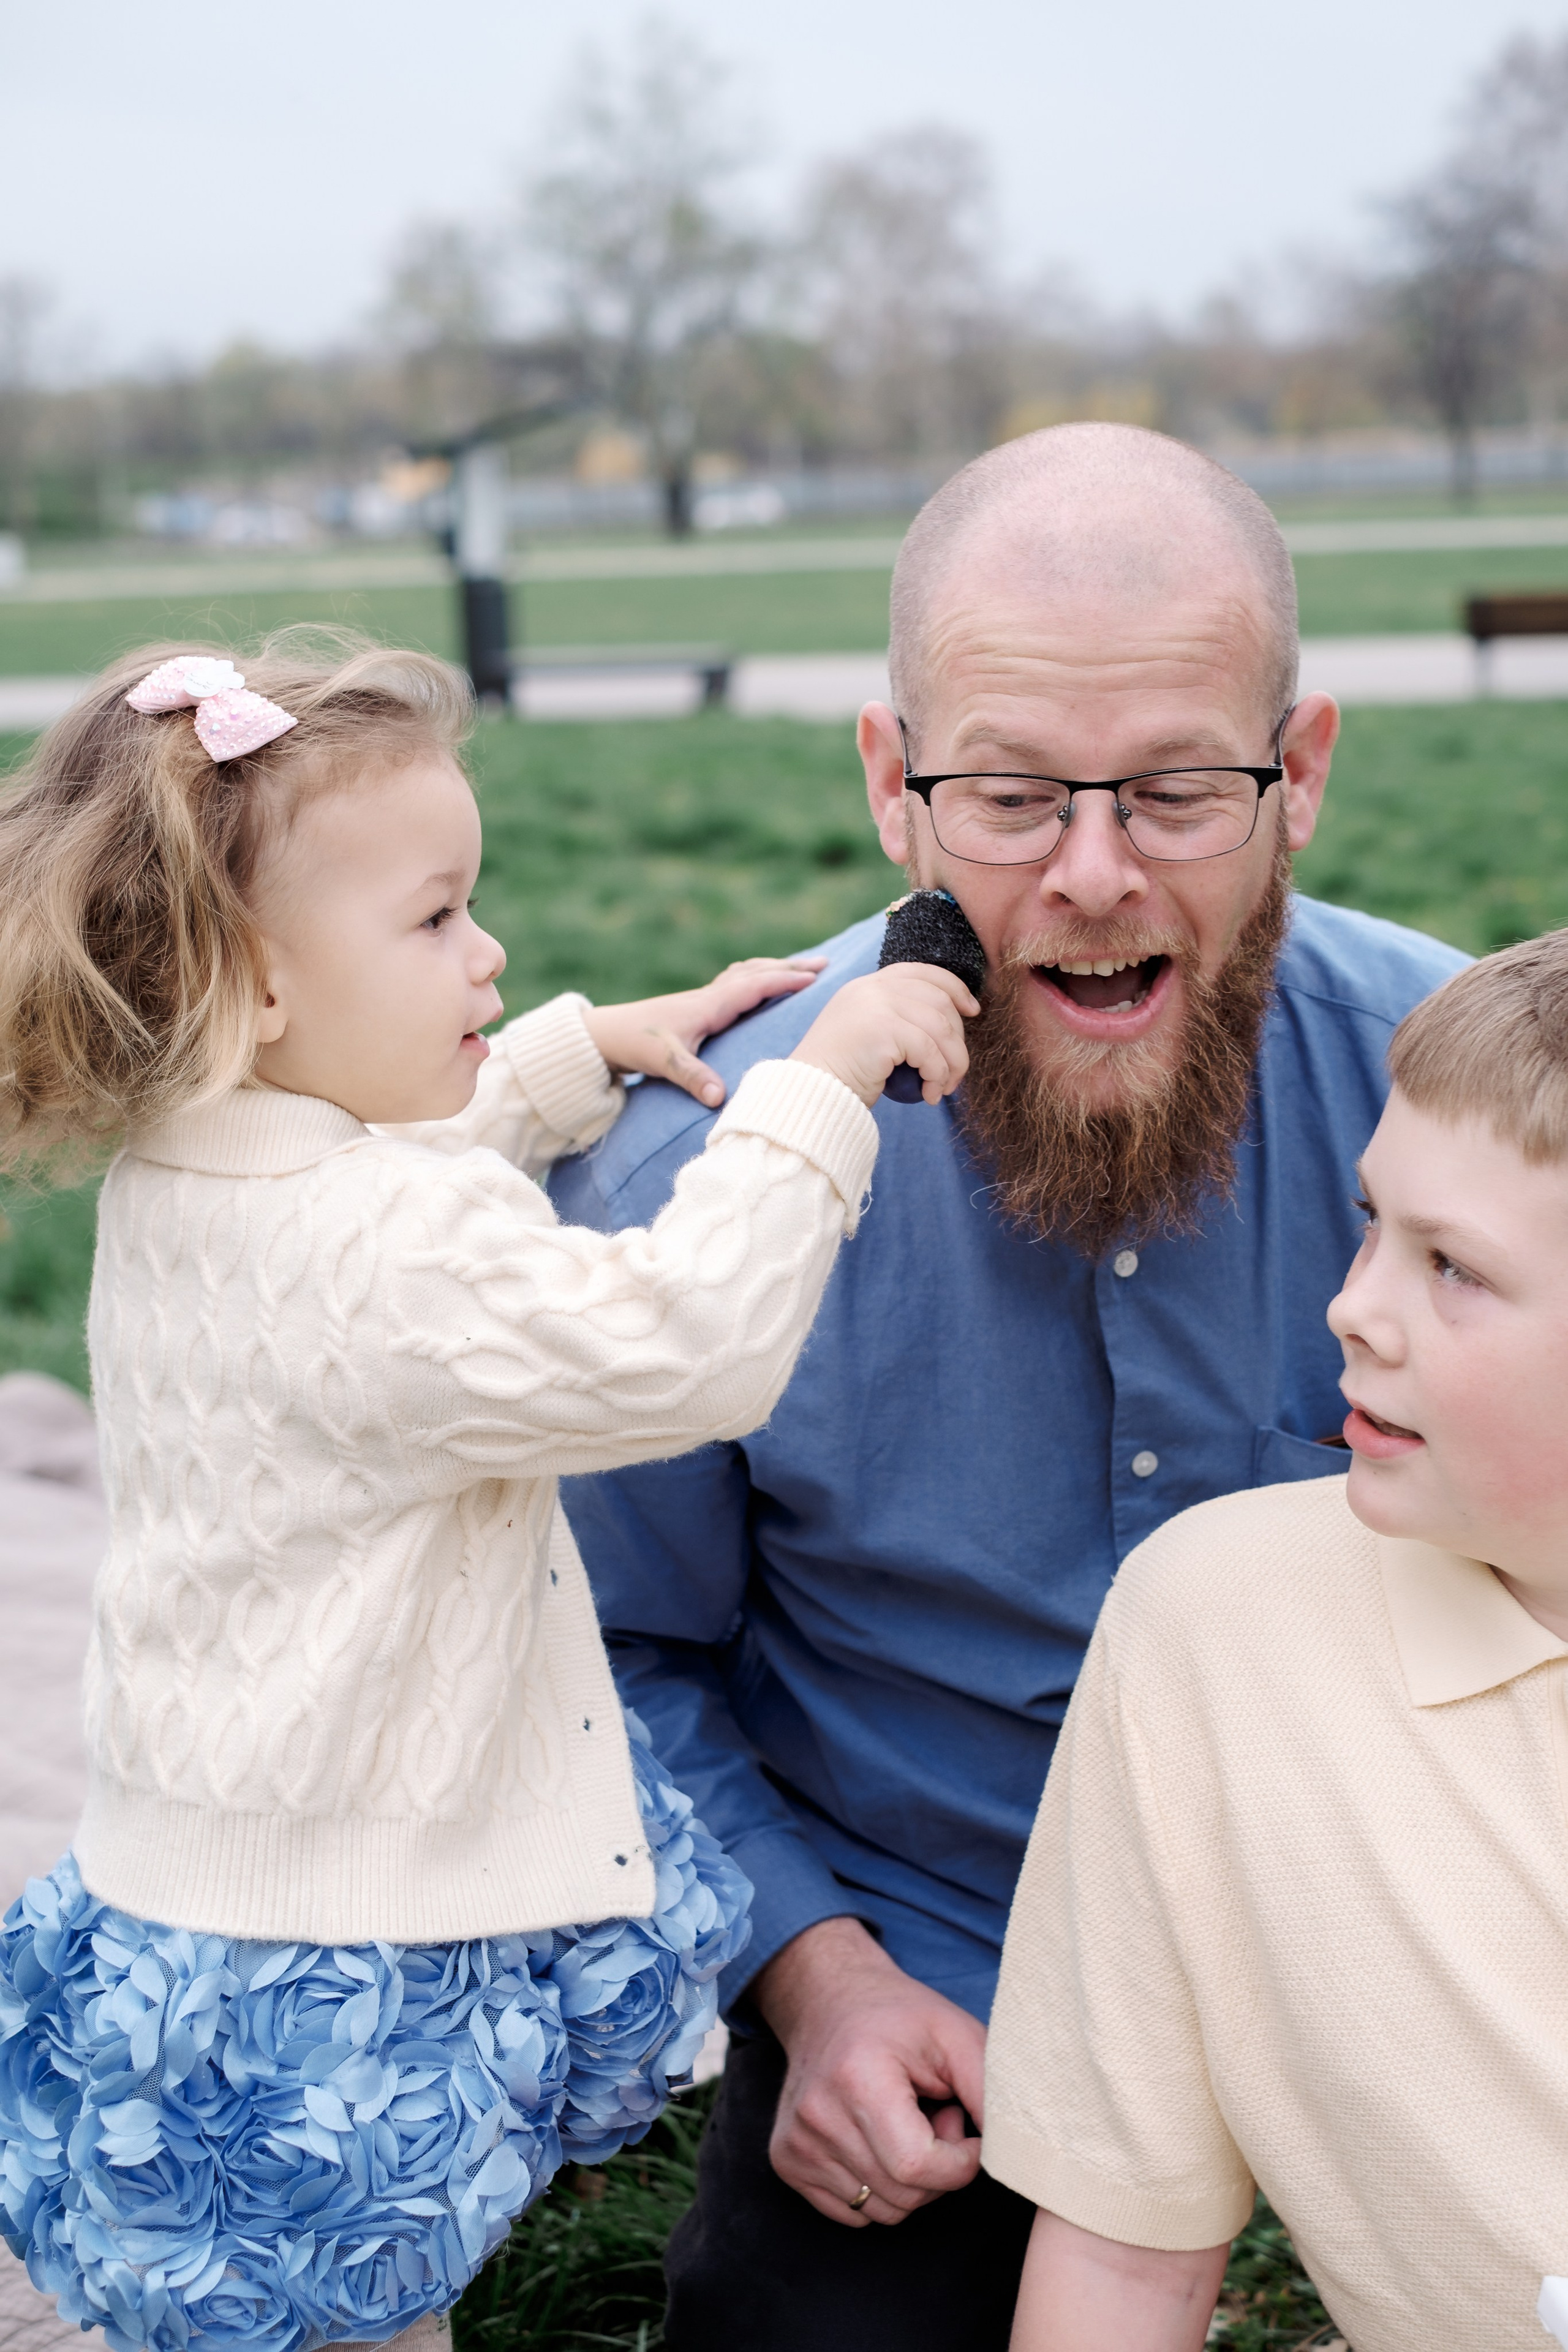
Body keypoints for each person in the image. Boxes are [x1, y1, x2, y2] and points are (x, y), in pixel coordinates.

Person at [546, 421, 1469, 2350]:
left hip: (1422, 1932)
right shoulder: (679, 1194)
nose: (1094, 875)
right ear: (894, 785)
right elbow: (595, 1663)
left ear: (1300, 773)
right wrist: (814, 1982)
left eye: (1178, 793)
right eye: (1014, 795)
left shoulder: (1477, 1125)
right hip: (947, 1972)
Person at [0, 639, 973, 2352]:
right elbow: (682, 1347)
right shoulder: (387, 1247)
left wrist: (560, 1059)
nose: (491, 949)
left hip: (204, 1905)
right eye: (438, 919)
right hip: (349, 1959)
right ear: (260, 983)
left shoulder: (197, 1166)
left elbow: (383, 1182)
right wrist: (821, 1090)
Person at [987, 929, 1568, 2352]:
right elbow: (1120, 2260)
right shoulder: (1215, 1626)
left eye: (1454, 1269)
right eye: (1374, 1223)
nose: (1351, 1307)